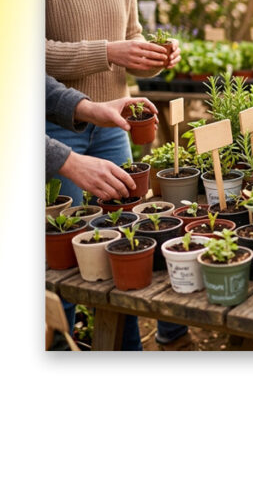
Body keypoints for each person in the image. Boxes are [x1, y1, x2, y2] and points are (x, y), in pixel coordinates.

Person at [46, 0, 189, 350]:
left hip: (115, 122)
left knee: (125, 239)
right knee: (66, 250)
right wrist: (107, 52)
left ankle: (126, 348)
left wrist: (152, 57)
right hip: (57, 129)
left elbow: (133, 34)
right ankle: (60, 346)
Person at [46, 75, 159, 351]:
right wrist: (66, 160)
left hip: (83, 116)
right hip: (53, 133)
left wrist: (88, 108)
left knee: (120, 235)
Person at [46, 75, 157, 199]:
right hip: (56, 127)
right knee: (68, 212)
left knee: (124, 200)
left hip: (105, 120)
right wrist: (67, 161)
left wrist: (88, 109)